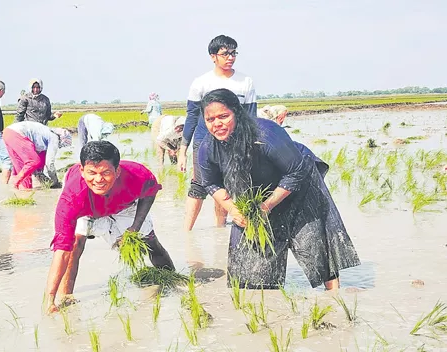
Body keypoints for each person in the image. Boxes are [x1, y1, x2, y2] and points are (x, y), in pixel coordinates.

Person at [197, 88, 360, 290]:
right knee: (250, 271)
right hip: (255, 195)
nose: (217, 124)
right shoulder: (208, 148)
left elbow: (296, 171)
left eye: (223, 116)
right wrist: (233, 210)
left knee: (312, 241)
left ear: (237, 114)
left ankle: (334, 297)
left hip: (299, 184)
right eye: (210, 119)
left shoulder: (265, 133)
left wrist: (267, 206)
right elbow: (211, 183)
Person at [43, 141, 175, 313]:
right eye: (92, 173)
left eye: (106, 173)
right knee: (75, 245)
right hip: (87, 209)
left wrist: (135, 227)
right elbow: (61, 252)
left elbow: (149, 193)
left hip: (124, 205)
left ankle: (173, 281)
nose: (98, 180)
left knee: (150, 241)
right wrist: (50, 299)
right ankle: (66, 296)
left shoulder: (137, 175)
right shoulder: (71, 199)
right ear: (82, 171)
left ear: (117, 171)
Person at [179, 35, 257, 231]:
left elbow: (250, 116)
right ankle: (186, 232)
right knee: (198, 185)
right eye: (225, 53)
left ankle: (220, 230)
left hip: (234, 142)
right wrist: (183, 150)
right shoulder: (201, 83)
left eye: (233, 53)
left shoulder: (245, 81)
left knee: (227, 184)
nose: (230, 57)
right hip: (203, 141)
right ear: (213, 56)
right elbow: (191, 117)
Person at [2, 121, 72, 190]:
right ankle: (16, 181)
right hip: (17, 134)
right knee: (33, 161)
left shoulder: (45, 134)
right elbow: (49, 163)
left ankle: (17, 190)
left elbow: (39, 163)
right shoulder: (54, 138)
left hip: (8, 133)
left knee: (23, 171)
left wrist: (40, 176)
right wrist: (55, 182)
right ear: (62, 140)